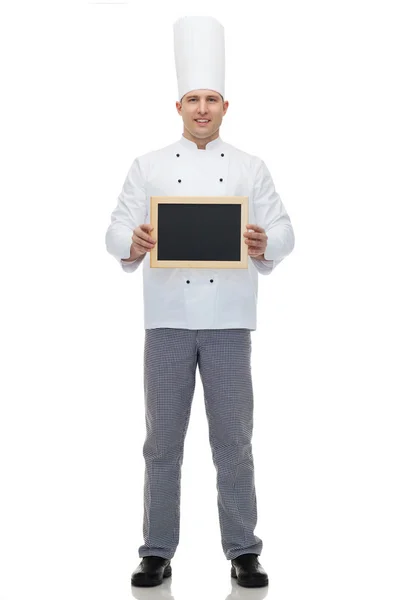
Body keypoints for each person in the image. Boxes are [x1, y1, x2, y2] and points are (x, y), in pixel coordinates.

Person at [105, 16, 295, 589]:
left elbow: (285, 230)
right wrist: (132, 241)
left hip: (230, 323)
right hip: (165, 320)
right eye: (194, 99)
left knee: (233, 440)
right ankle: (156, 549)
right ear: (180, 105)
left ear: (225, 105)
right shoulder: (149, 165)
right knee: (162, 441)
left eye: (212, 99)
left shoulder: (249, 167)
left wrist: (267, 242)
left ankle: (243, 549)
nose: (203, 108)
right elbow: (114, 229)